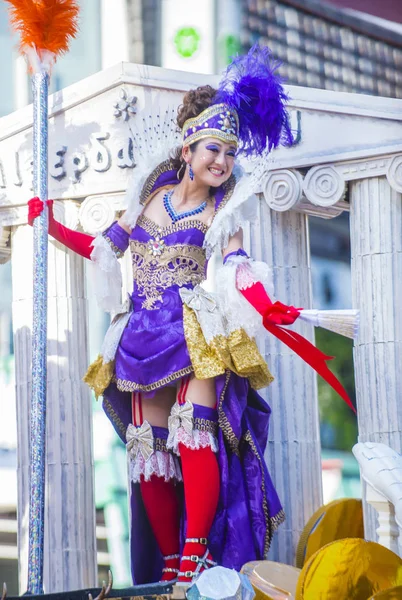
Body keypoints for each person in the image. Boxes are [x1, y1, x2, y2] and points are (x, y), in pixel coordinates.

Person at [28, 45, 347, 585]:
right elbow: (105, 247)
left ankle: (196, 556)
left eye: (228, 152)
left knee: (195, 434)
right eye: (212, 149)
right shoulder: (149, 192)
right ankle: (171, 560)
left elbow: (237, 263)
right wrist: (51, 226)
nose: (221, 161)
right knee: (146, 449)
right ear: (188, 146)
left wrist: (267, 305)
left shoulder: (226, 209)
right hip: (137, 337)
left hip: (193, 333)